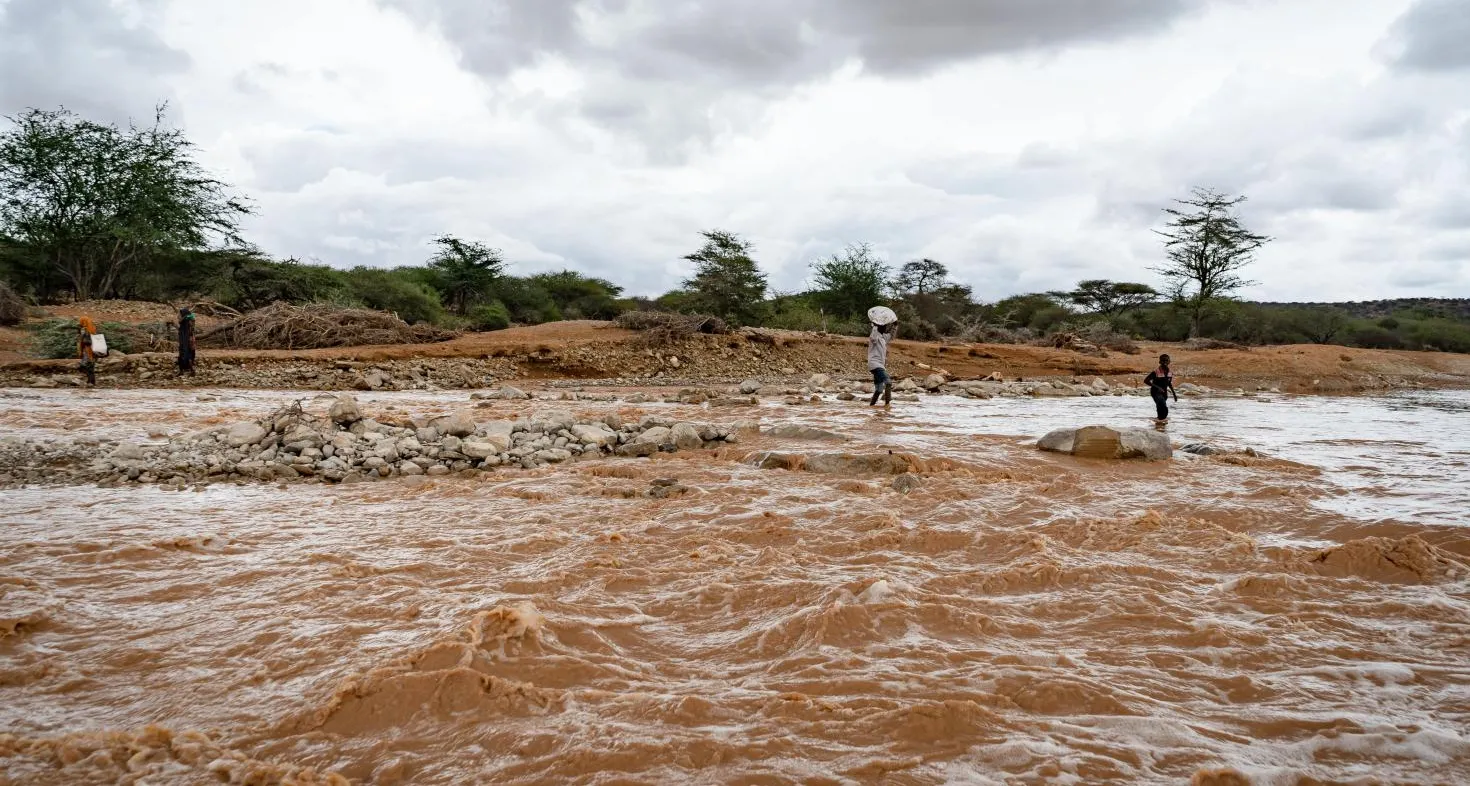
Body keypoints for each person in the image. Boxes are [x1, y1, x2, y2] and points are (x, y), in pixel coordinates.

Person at [868, 318, 896, 407]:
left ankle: (871, 406)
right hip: (875, 364)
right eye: (883, 326)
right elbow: (873, 337)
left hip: (880, 365)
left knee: (879, 389)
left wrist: (895, 325)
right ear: (879, 327)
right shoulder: (874, 336)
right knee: (888, 382)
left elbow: (892, 336)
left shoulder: (883, 337)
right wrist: (875, 326)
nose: (885, 328)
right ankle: (887, 405)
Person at [1145, 353, 1178, 422]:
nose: (1165, 362)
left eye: (1166, 360)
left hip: (1164, 393)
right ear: (1160, 362)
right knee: (1164, 408)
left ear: (1169, 362)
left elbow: (1169, 383)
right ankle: (1160, 423)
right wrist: (1158, 387)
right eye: (1163, 361)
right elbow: (1146, 380)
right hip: (1155, 392)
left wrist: (1174, 394)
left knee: (1160, 408)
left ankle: (1159, 426)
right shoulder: (1155, 372)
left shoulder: (1170, 373)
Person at [78, 316, 98, 386]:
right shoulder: (93, 328)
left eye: (81, 321)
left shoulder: (84, 329)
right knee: (91, 366)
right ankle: (92, 381)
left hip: (87, 350)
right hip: (94, 350)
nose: (79, 323)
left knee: (85, 365)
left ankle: (90, 381)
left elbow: (83, 341)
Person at [177, 307, 197, 375]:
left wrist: (185, 316)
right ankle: (186, 370)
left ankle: (186, 371)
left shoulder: (186, 321)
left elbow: (180, 321)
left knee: (185, 355)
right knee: (187, 355)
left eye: (180, 314)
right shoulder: (188, 320)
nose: (178, 316)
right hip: (187, 342)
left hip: (186, 342)